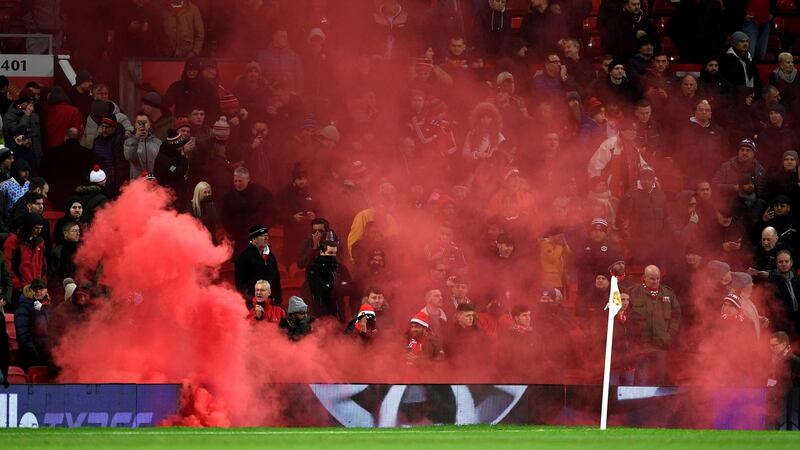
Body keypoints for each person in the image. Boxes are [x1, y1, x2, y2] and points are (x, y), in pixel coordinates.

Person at [627, 264, 681, 385]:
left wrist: (670, 335)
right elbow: (626, 316)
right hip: (641, 345)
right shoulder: (633, 292)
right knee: (641, 381)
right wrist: (633, 338)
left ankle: (658, 404)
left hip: (661, 345)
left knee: (659, 381)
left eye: (657, 278)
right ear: (644, 278)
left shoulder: (668, 293)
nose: (655, 281)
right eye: (652, 278)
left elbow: (676, 316)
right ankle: (639, 404)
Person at [234, 225, 282, 307]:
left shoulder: (270, 256)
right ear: (253, 239)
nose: (266, 238)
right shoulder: (244, 257)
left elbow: (276, 278)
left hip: (271, 302)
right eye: (263, 236)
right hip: (252, 303)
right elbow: (240, 284)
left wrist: (278, 299)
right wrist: (251, 300)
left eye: (267, 236)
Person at [305, 239, 353, 321]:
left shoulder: (341, 267)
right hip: (319, 312)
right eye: (330, 253)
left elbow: (351, 287)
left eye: (335, 253)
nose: (333, 256)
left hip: (339, 311)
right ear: (321, 252)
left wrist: (338, 288)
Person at [13, 278, 52, 370]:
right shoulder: (24, 307)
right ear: (31, 291)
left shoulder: (46, 306)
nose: (38, 292)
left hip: (45, 351)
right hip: (32, 354)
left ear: (46, 290)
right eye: (35, 289)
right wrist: (31, 350)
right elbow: (23, 332)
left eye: (41, 289)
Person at [124, 112, 161, 179]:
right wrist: (136, 139)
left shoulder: (157, 142)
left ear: (149, 124)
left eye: (145, 122)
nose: (142, 125)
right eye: (139, 123)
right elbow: (129, 157)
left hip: (154, 183)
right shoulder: (129, 141)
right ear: (135, 125)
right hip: (137, 183)